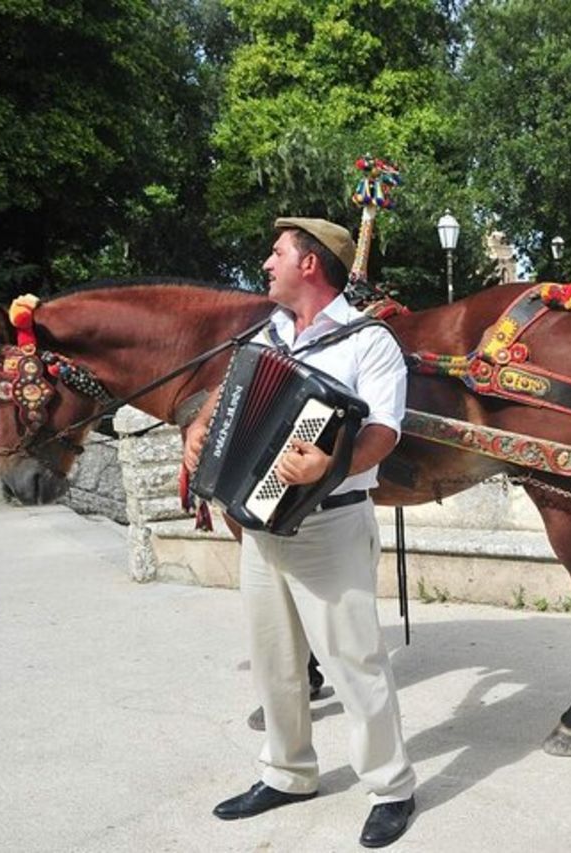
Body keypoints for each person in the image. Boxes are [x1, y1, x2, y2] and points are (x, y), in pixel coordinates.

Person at [183, 217, 415, 848]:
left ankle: (391, 786)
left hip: (330, 526)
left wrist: (329, 464)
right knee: (275, 661)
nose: (266, 262)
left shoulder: (371, 343)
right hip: (260, 525)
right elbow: (228, 396)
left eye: (276, 252)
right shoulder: (268, 333)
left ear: (309, 265)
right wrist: (198, 430)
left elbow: (384, 432)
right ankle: (287, 772)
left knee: (354, 662)